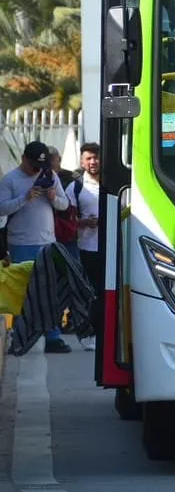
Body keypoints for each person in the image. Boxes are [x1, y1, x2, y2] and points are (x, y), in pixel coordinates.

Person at [0, 141, 72, 352]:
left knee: (50, 290)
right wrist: (25, 198)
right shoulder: (10, 180)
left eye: (40, 166)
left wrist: (52, 197)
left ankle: (52, 336)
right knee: (22, 292)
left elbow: (64, 204)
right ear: (24, 159)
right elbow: (2, 208)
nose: (37, 170)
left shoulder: (50, 176)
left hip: (46, 241)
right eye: (33, 166)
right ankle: (21, 336)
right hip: (21, 242)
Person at [68, 143, 103, 351]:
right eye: (89, 158)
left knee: (107, 294)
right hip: (86, 249)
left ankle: (106, 334)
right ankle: (89, 334)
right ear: (82, 161)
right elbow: (65, 219)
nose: (93, 162)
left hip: (111, 247)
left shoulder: (113, 183)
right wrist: (82, 223)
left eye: (96, 158)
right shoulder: (75, 187)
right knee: (89, 294)